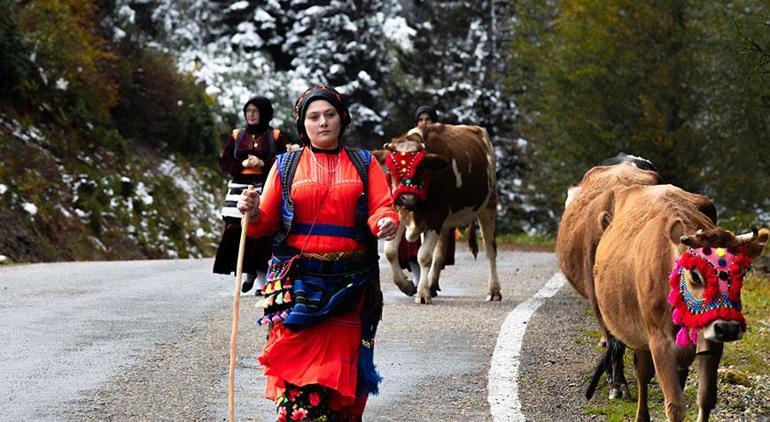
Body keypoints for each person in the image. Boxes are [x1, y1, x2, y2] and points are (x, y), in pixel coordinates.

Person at [237, 84, 398, 421]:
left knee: (343, 394)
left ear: (342, 119)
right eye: (314, 117)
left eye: (329, 114)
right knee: (301, 397)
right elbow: (264, 223)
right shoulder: (284, 165)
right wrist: (250, 212)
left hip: (351, 289)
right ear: (303, 124)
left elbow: (381, 208)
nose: (322, 122)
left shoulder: (364, 163)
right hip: (297, 287)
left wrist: (385, 222)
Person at [213, 96, 288, 293]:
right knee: (236, 229)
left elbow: (283, 163)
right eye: (248, 111)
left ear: (264, 113)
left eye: (255, 111)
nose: (251, 115)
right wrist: (242, 164)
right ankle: (247, 270)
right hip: (239, 187)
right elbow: (224, 162)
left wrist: (264, 164)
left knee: (262, 232)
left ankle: (261, 277)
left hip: (265, 186)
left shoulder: (276, 136)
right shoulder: (237, 135)